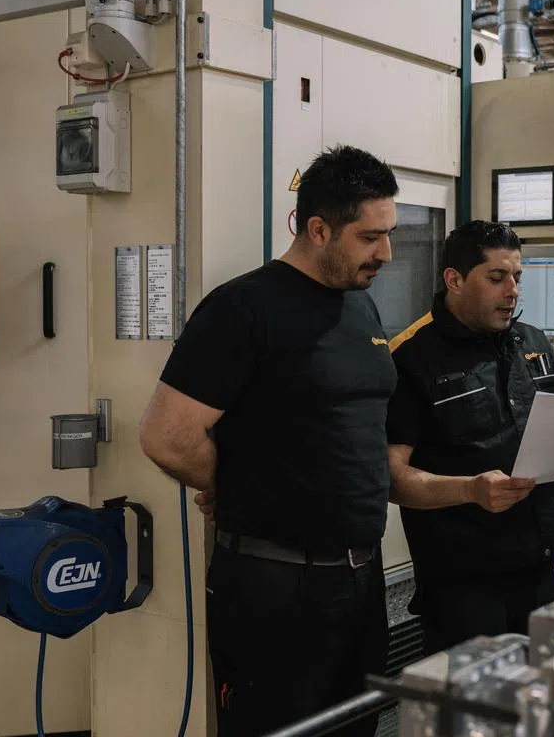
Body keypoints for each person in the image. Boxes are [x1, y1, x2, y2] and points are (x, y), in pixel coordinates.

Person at [138, 145, 400, 737]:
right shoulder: (242, 309)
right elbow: (167, 436)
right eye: (369, 237)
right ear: (317, 229)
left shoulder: (360, 308)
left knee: (355, 728)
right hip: (274, 587)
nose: (386, 252)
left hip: (359, 579)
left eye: (389, 234)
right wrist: (235, 482)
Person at [385, 220, 554, 653]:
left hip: (540, 567)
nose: (512, 290)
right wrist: (471, 490)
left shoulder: (533, 342)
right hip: (464, 585)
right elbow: (393, 478)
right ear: (454, 279)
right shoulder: (413, 358)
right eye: (496, 277)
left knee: (537, 707)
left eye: (517, 277)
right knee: (469, 716)